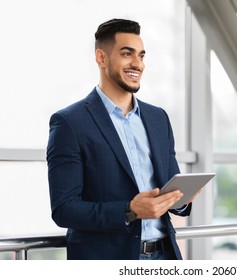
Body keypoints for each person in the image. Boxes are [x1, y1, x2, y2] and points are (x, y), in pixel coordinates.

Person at [46, 18, 197, 260]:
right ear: (101, 58)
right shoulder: (70, 122)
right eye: (127, 54)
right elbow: (64, 209)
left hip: (165, 256)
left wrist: (180, 198)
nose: (137, 64)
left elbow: (171, 186)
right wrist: (130, 210)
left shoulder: (158, 118)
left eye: (141, 56)